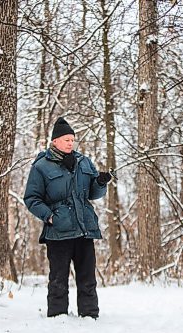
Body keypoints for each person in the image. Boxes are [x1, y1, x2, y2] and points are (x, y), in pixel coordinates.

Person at [23, 117, 112, 319]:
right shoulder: (41, 167)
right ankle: (57, 317)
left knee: (88, 278)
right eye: (66, 139)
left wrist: (100, 182)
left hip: (84, 229)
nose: (71, 143)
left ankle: (89, 316)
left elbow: (92, 193)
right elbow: (31, 199)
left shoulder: (83, 162)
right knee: (58, 280)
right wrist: (50, 218)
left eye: (72, 139)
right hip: (59, 232)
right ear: (55, 141)